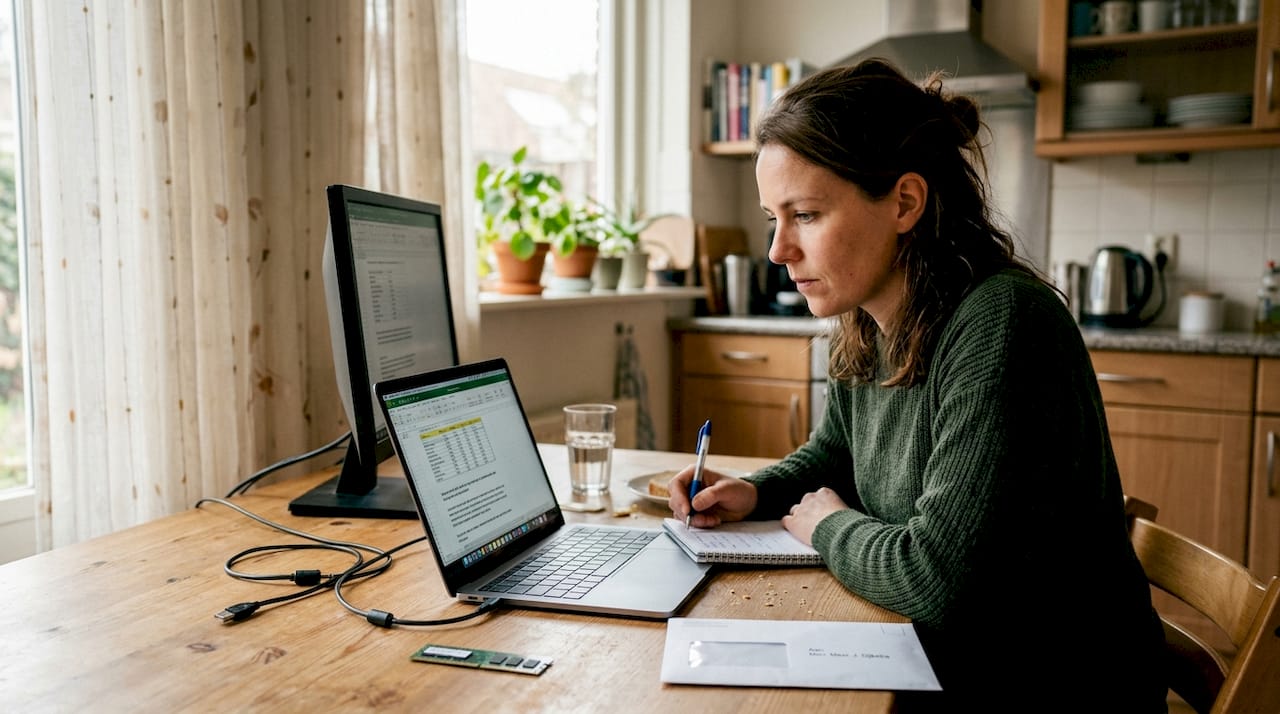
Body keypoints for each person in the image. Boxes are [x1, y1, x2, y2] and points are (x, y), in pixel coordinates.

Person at [668, 58, 1168, 711]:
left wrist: (827, 526)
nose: (778, 251)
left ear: (905, 201)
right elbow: (835, 457)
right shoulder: (870, 321)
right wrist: (755, 492)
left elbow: (938, 579)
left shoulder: (1003, 324)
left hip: (1042, 686)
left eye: (807, 215)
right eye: (773, 219)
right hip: (946, 661)